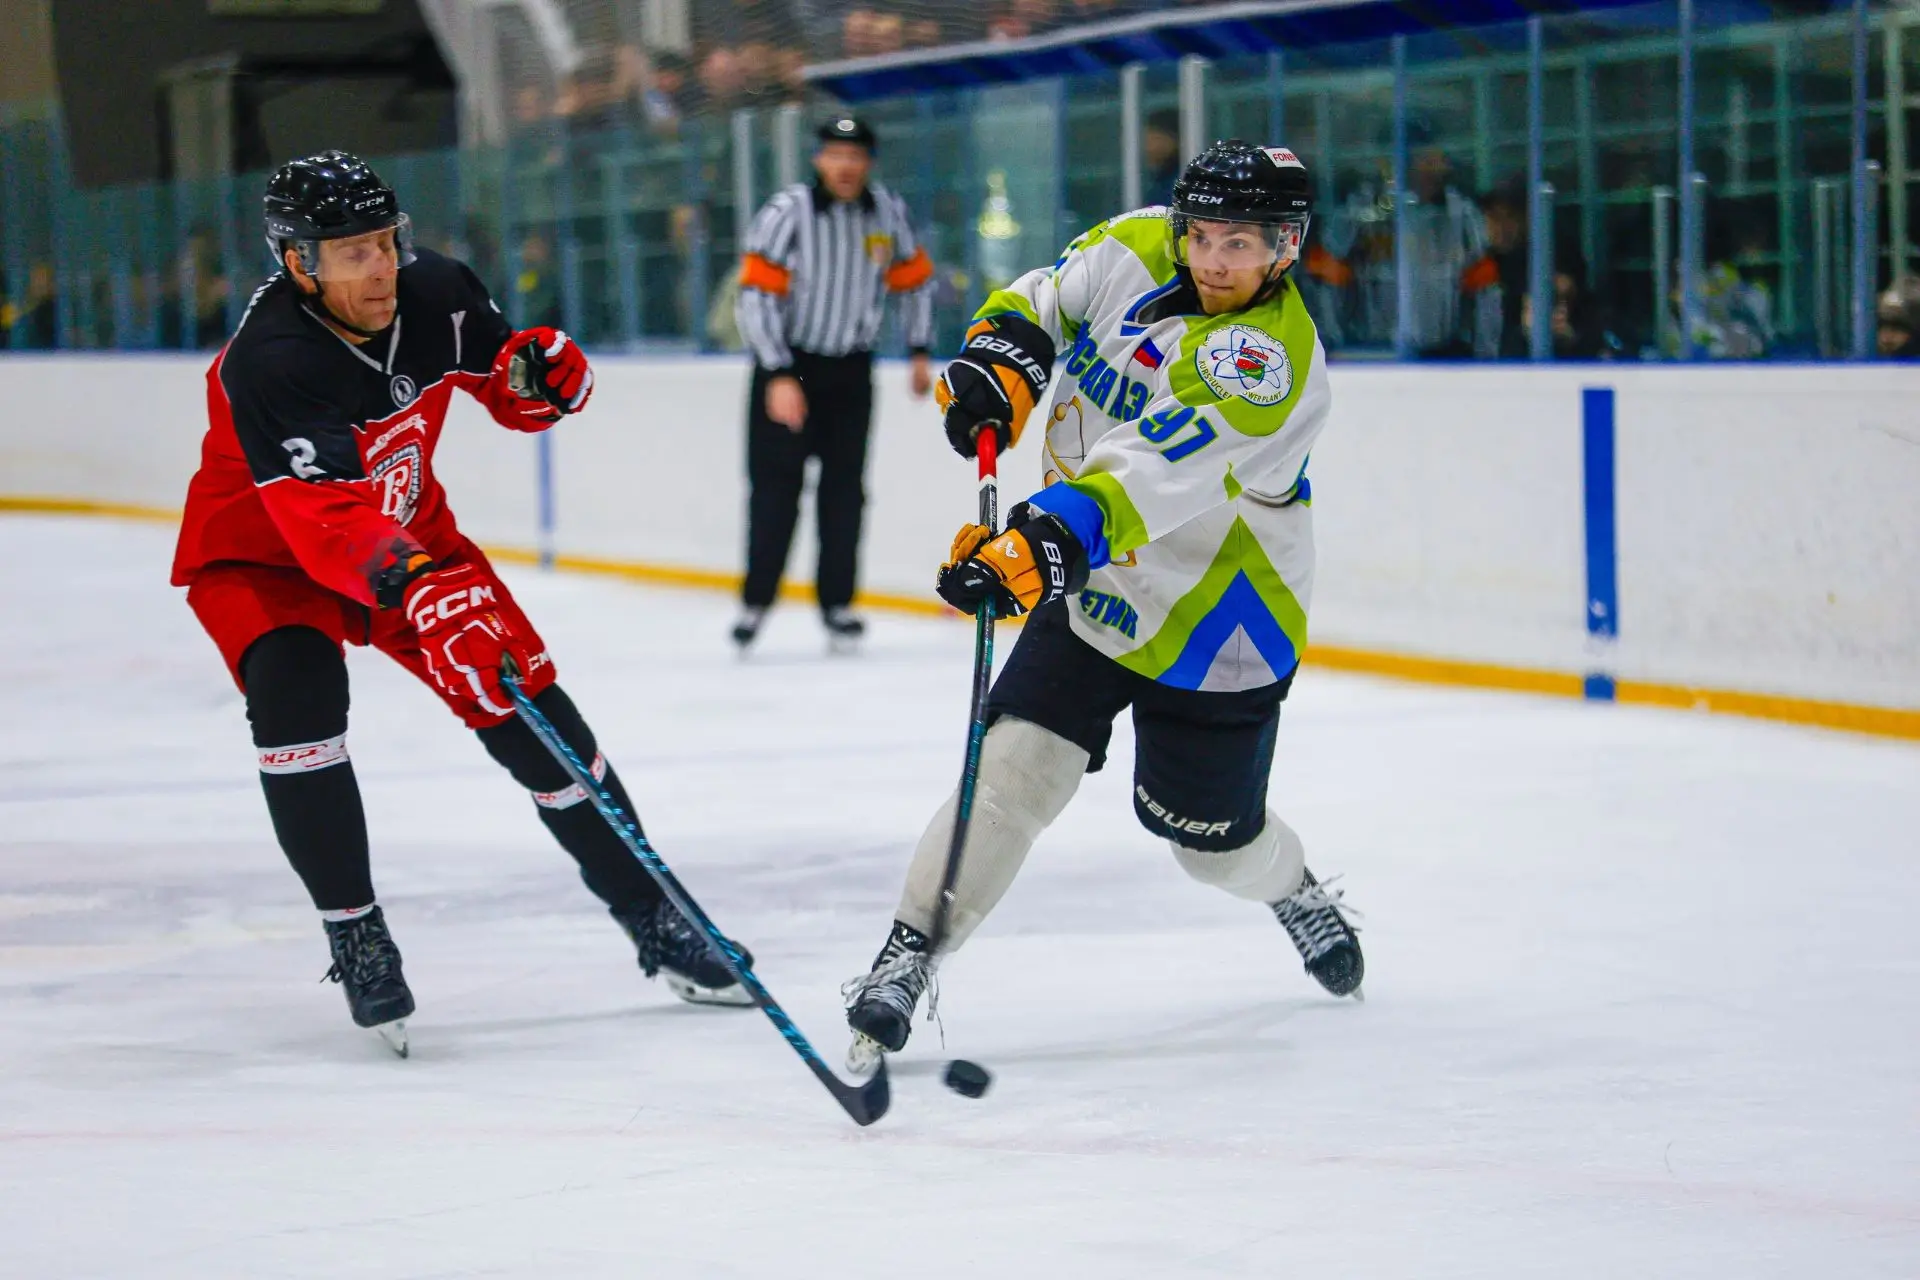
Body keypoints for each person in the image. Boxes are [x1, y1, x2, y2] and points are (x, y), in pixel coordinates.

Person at [169, 152, 751, 1055]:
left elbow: (500, 385)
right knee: (298, 702)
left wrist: (536, 383)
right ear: (298, 264)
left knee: (529, 708)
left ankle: (655, 912)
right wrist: (420, 587)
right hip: (266, 554)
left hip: (412, 537)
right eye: (351, 252)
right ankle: (356, 932)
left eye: (384, 242)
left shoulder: (432, 289)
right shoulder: (270, 358)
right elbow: (321, 517)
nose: (379, 267)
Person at [841, 140, 1365, 1071]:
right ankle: (905, 958)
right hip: (1088, 581)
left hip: (1217, 623)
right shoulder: (1132, 249)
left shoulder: (1275, 367)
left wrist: (1037, 544)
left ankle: (1293, 885)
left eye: (1239, 243)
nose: (1211, 258)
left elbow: (1150, 474)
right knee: (1010, 773)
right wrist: (1003, 366)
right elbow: (1042, 301)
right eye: (1200, 233)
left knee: (1207, 847)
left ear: (1286, 248)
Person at [732, 115, 936, 651]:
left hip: (851, 366)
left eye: (856, 156)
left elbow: (913, 283)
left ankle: (838, 604)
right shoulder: (786, 213)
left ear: (868, 162)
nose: (845, 166)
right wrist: (777, 371)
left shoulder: (887, 213)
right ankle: (756, 602)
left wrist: (918, 349)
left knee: (845, 492)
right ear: (820, 159)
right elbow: (755, 296)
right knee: (776, 489)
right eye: (835, 154)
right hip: (792, 362)